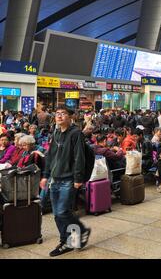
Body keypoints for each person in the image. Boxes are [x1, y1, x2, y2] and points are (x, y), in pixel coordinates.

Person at [40, 106, 91, 257]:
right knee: (58, 214)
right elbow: (50, 156)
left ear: (71, 117)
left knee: (62, 212)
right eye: (57, 114)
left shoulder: (76, 134)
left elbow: (79, 157)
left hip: (68, 179)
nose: (60, 116)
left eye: (63, 114)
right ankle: (68, 240)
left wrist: (78, 178)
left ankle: (75, 235)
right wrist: (45, 175)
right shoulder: (55, 133)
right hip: (55, 179)